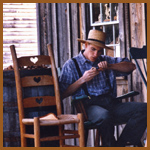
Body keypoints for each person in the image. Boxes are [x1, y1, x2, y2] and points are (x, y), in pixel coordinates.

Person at [59, 29, 147, 147]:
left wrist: (110, 66)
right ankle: (110, 145)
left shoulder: (105, 60)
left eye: (99, 51)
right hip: (89, 108)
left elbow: (131, 66)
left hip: (111, 104)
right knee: (104, 116)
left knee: (145, 108)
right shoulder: (71, 65)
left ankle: (122, 144)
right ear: (86, 45)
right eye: (93, 49)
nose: (96, 54)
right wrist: (82, 80)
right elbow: (62, 93)